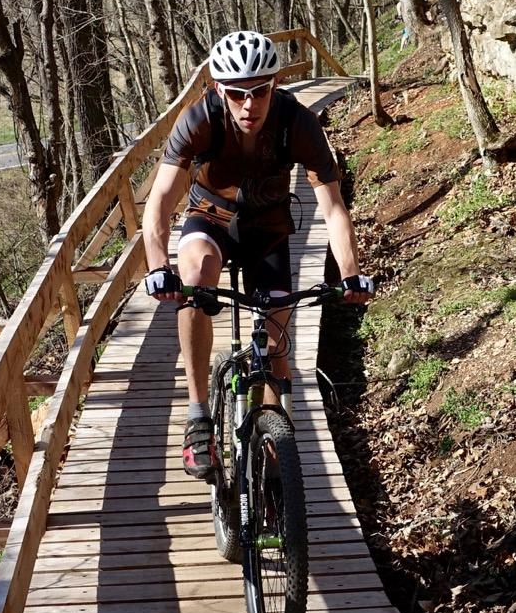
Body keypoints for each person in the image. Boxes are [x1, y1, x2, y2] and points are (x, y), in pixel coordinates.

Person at [142, 29, 373, 480]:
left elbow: (333, 207)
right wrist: (157, 268)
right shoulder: (199, 121)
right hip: (210, 219)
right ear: (217, 90)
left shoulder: (297, 123)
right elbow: (158, 206)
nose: (250, 105)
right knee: (196, 274)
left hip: (268, 229)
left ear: (275, 85)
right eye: (237, 94)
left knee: (276, 342)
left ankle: (274, 459)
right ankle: (197, 418)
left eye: (260, 91)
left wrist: (351, 274)